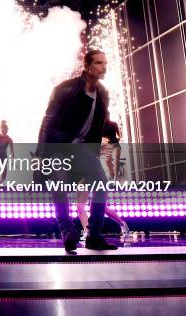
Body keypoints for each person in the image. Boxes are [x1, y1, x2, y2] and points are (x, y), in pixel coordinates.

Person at [37, 49, 118, 252]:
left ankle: (94, 235)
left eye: (105, 63)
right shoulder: (65, 89)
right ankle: (68, 233)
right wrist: (40, 155)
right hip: (58, 146)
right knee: (59, 185)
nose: (103, 67)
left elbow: (98, 124)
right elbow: (48, 121)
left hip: (81, 149)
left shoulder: (103, 93)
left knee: (101, 182)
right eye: (99, 63)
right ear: (87, 66)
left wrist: (95, 151)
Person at [77, 119, 129, 240]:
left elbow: (114, 164)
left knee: (98, 207)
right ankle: (87, 232)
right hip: (88, 174)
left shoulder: (112, 146)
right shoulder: (95, 142)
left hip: (101, 176)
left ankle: (122, 224)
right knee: (80, 206)